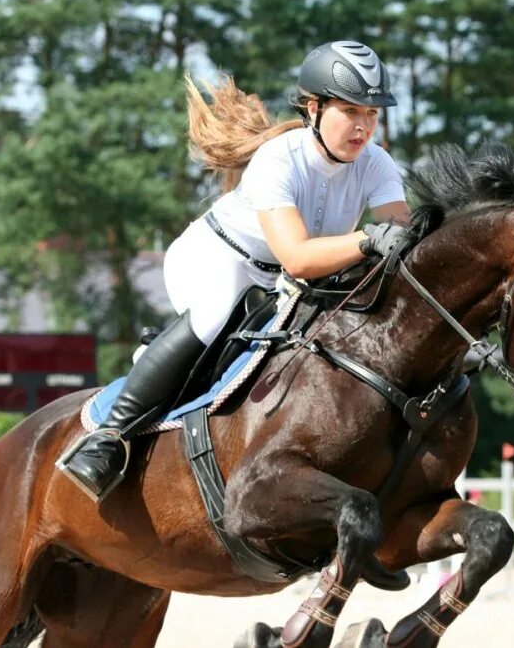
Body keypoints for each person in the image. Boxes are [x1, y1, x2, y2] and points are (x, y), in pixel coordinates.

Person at [58, 41, 413, 502]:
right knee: (215, 314)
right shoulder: (278, 159)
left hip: (288, 282)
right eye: (350, 110)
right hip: (217, 258)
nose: (363, 127)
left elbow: (399, 237)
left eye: (372, 114)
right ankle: (109, 436)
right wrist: (368, 239)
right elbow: (300, 257)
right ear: (314, 107)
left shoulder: (377, 163)